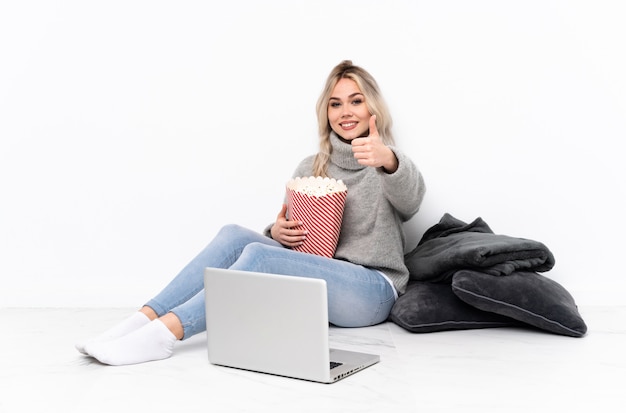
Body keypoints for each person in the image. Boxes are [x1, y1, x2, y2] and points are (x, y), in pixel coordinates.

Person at [76, 60, 426, 366]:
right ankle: (140, 321)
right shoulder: (312, 165)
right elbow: (302, 247)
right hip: (320, 282)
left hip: (371, 290)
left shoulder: (385, 163)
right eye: (335, 104)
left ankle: (164, 335)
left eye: (356, 101)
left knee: (259, 256)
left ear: (372, 109)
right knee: (234, 236)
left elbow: (412, 201)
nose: (345, 112)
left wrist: (388, 160)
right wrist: (278, 232)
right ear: (326, 112)